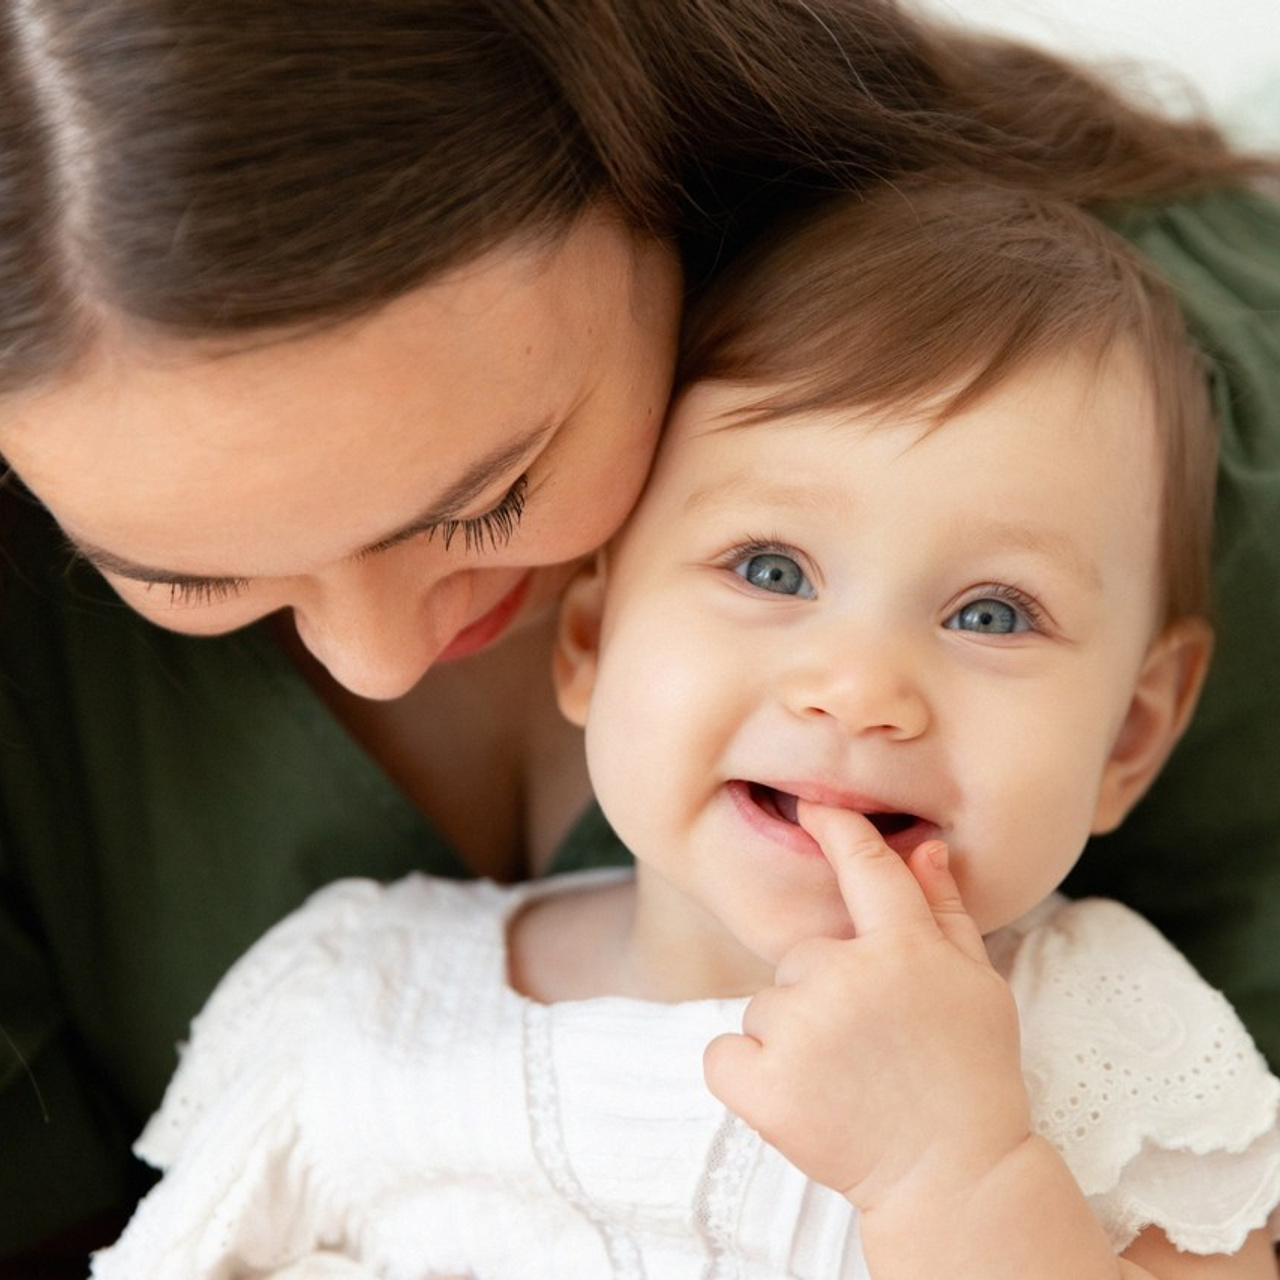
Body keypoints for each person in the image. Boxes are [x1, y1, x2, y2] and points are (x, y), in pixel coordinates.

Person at [0, 0, 1278, 1264]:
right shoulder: (351, 1006)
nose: (376, 659)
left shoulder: (1114, 413)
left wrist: (954, 1174)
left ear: (649, 172)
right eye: (192, 577)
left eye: (490, 496)